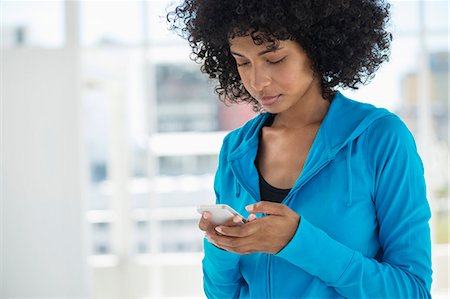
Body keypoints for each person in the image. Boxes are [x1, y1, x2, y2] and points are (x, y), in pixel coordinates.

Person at [168, 0, 432, 298]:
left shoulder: (379, 138)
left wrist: (298, 242)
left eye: (275, 59)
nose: (257, 81)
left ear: (316, 49)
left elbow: (412, 290)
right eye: (243, 62)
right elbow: (221, 293)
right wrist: (223, 245)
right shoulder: (235, 149)